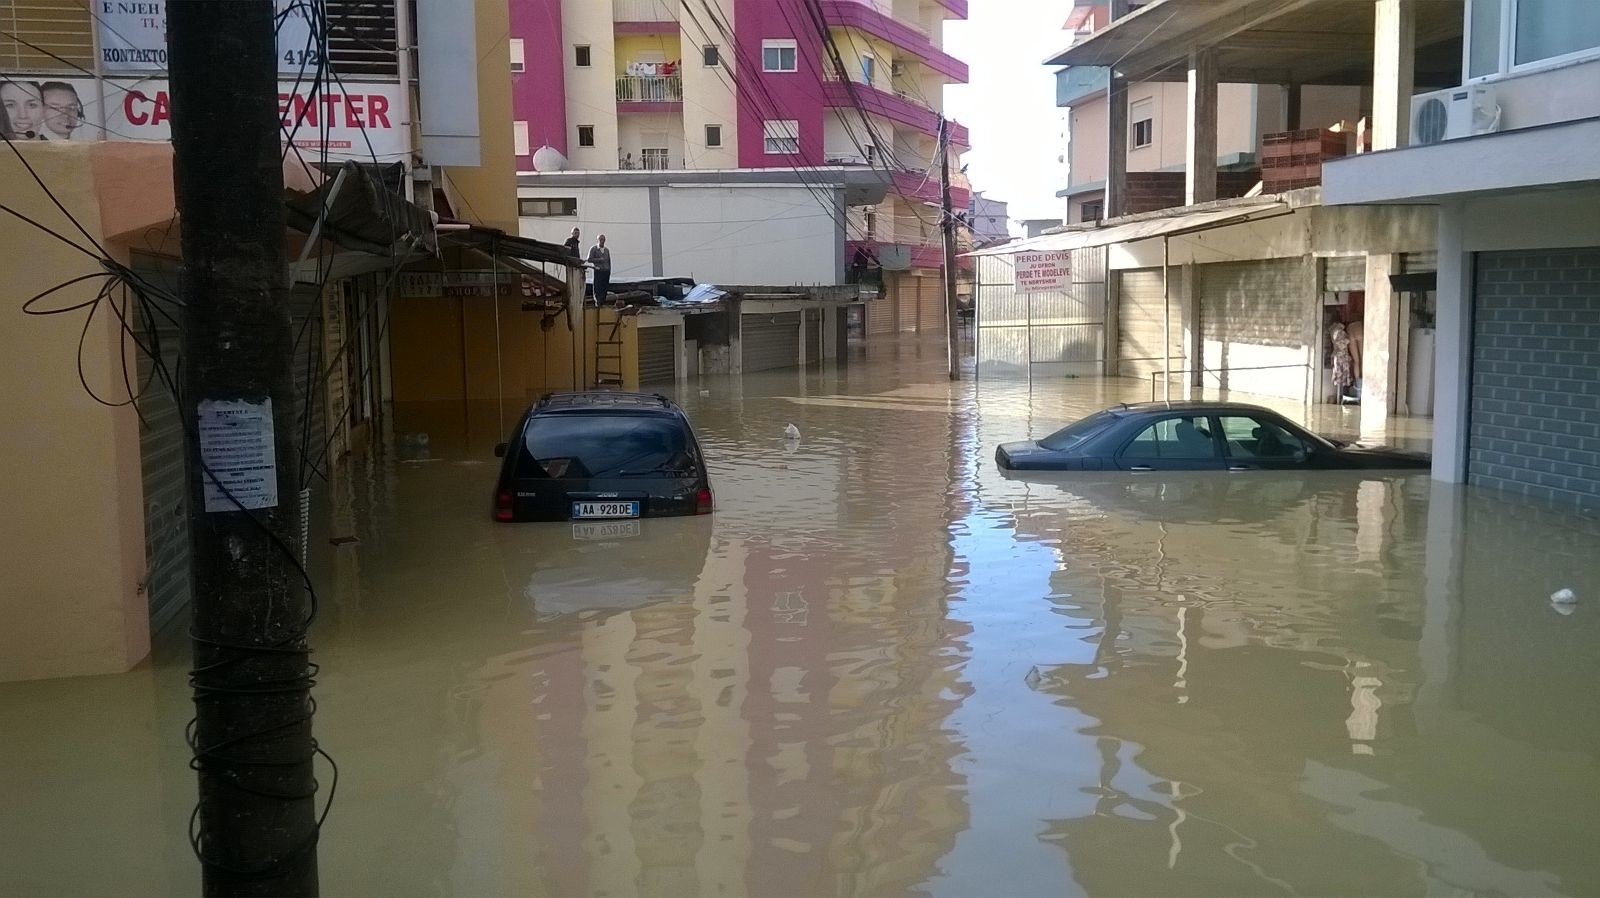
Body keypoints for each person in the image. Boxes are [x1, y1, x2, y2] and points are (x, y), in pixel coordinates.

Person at [587, 234, 612, 304]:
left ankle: (603, 301)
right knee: (597, 287)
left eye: (603, 240)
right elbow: (589, 259)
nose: (602, 241)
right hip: (598, 271)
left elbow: (609, 261)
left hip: (606, 271)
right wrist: (599, 260)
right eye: (600, 239)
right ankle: (597, 302)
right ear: (598, 240)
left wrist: (609, 271)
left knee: (604, 288)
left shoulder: (607, 250)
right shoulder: (594, 249)